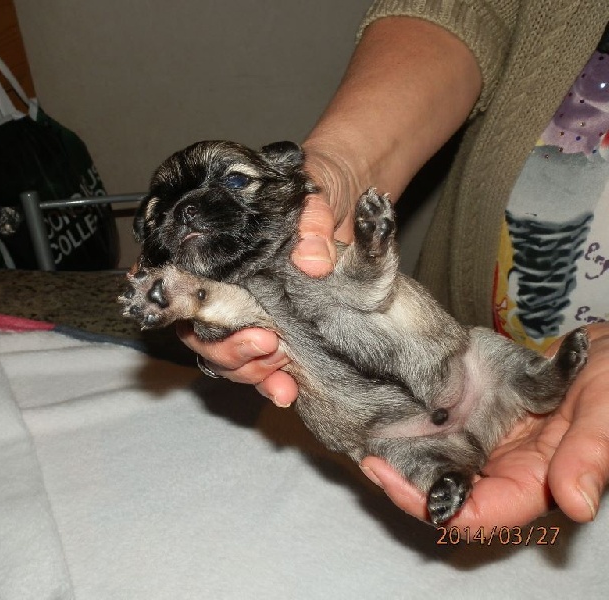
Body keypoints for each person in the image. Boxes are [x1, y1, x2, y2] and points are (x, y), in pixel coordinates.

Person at [179, 0, 609, 529]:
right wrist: (338, 166)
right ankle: (445, 475)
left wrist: (371, 249)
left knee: (494, 363)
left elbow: (366, 287)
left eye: (234, 182)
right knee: (397, 445)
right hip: (404, 407)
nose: (194, 212)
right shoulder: (301, 242)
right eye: (164, 217)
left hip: (473, 374)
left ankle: (540, 385)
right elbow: (468, 11)